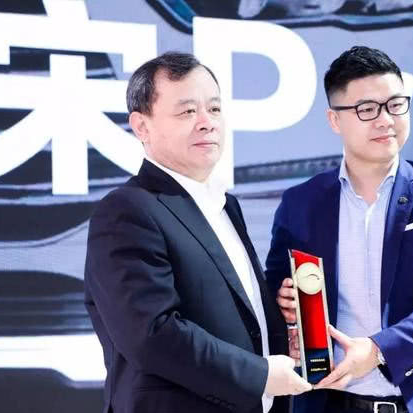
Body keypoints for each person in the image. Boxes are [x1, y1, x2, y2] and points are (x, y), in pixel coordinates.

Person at [84, 51, 311, 413]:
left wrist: (282, 332)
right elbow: (152, 335)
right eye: (187, 111)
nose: (207, 123)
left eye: (215, 109)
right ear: (141, 126)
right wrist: (261, 375)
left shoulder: (225, 204)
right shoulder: (127, 210)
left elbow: (228, 315)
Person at [265, 46, 413, 413]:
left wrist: (379, 349)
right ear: (335, 120)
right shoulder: (300, 204)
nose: (386, 120)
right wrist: (285, 306)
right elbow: (273, 291)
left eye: (395, 105)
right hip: (329, 400)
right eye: (367, 109)